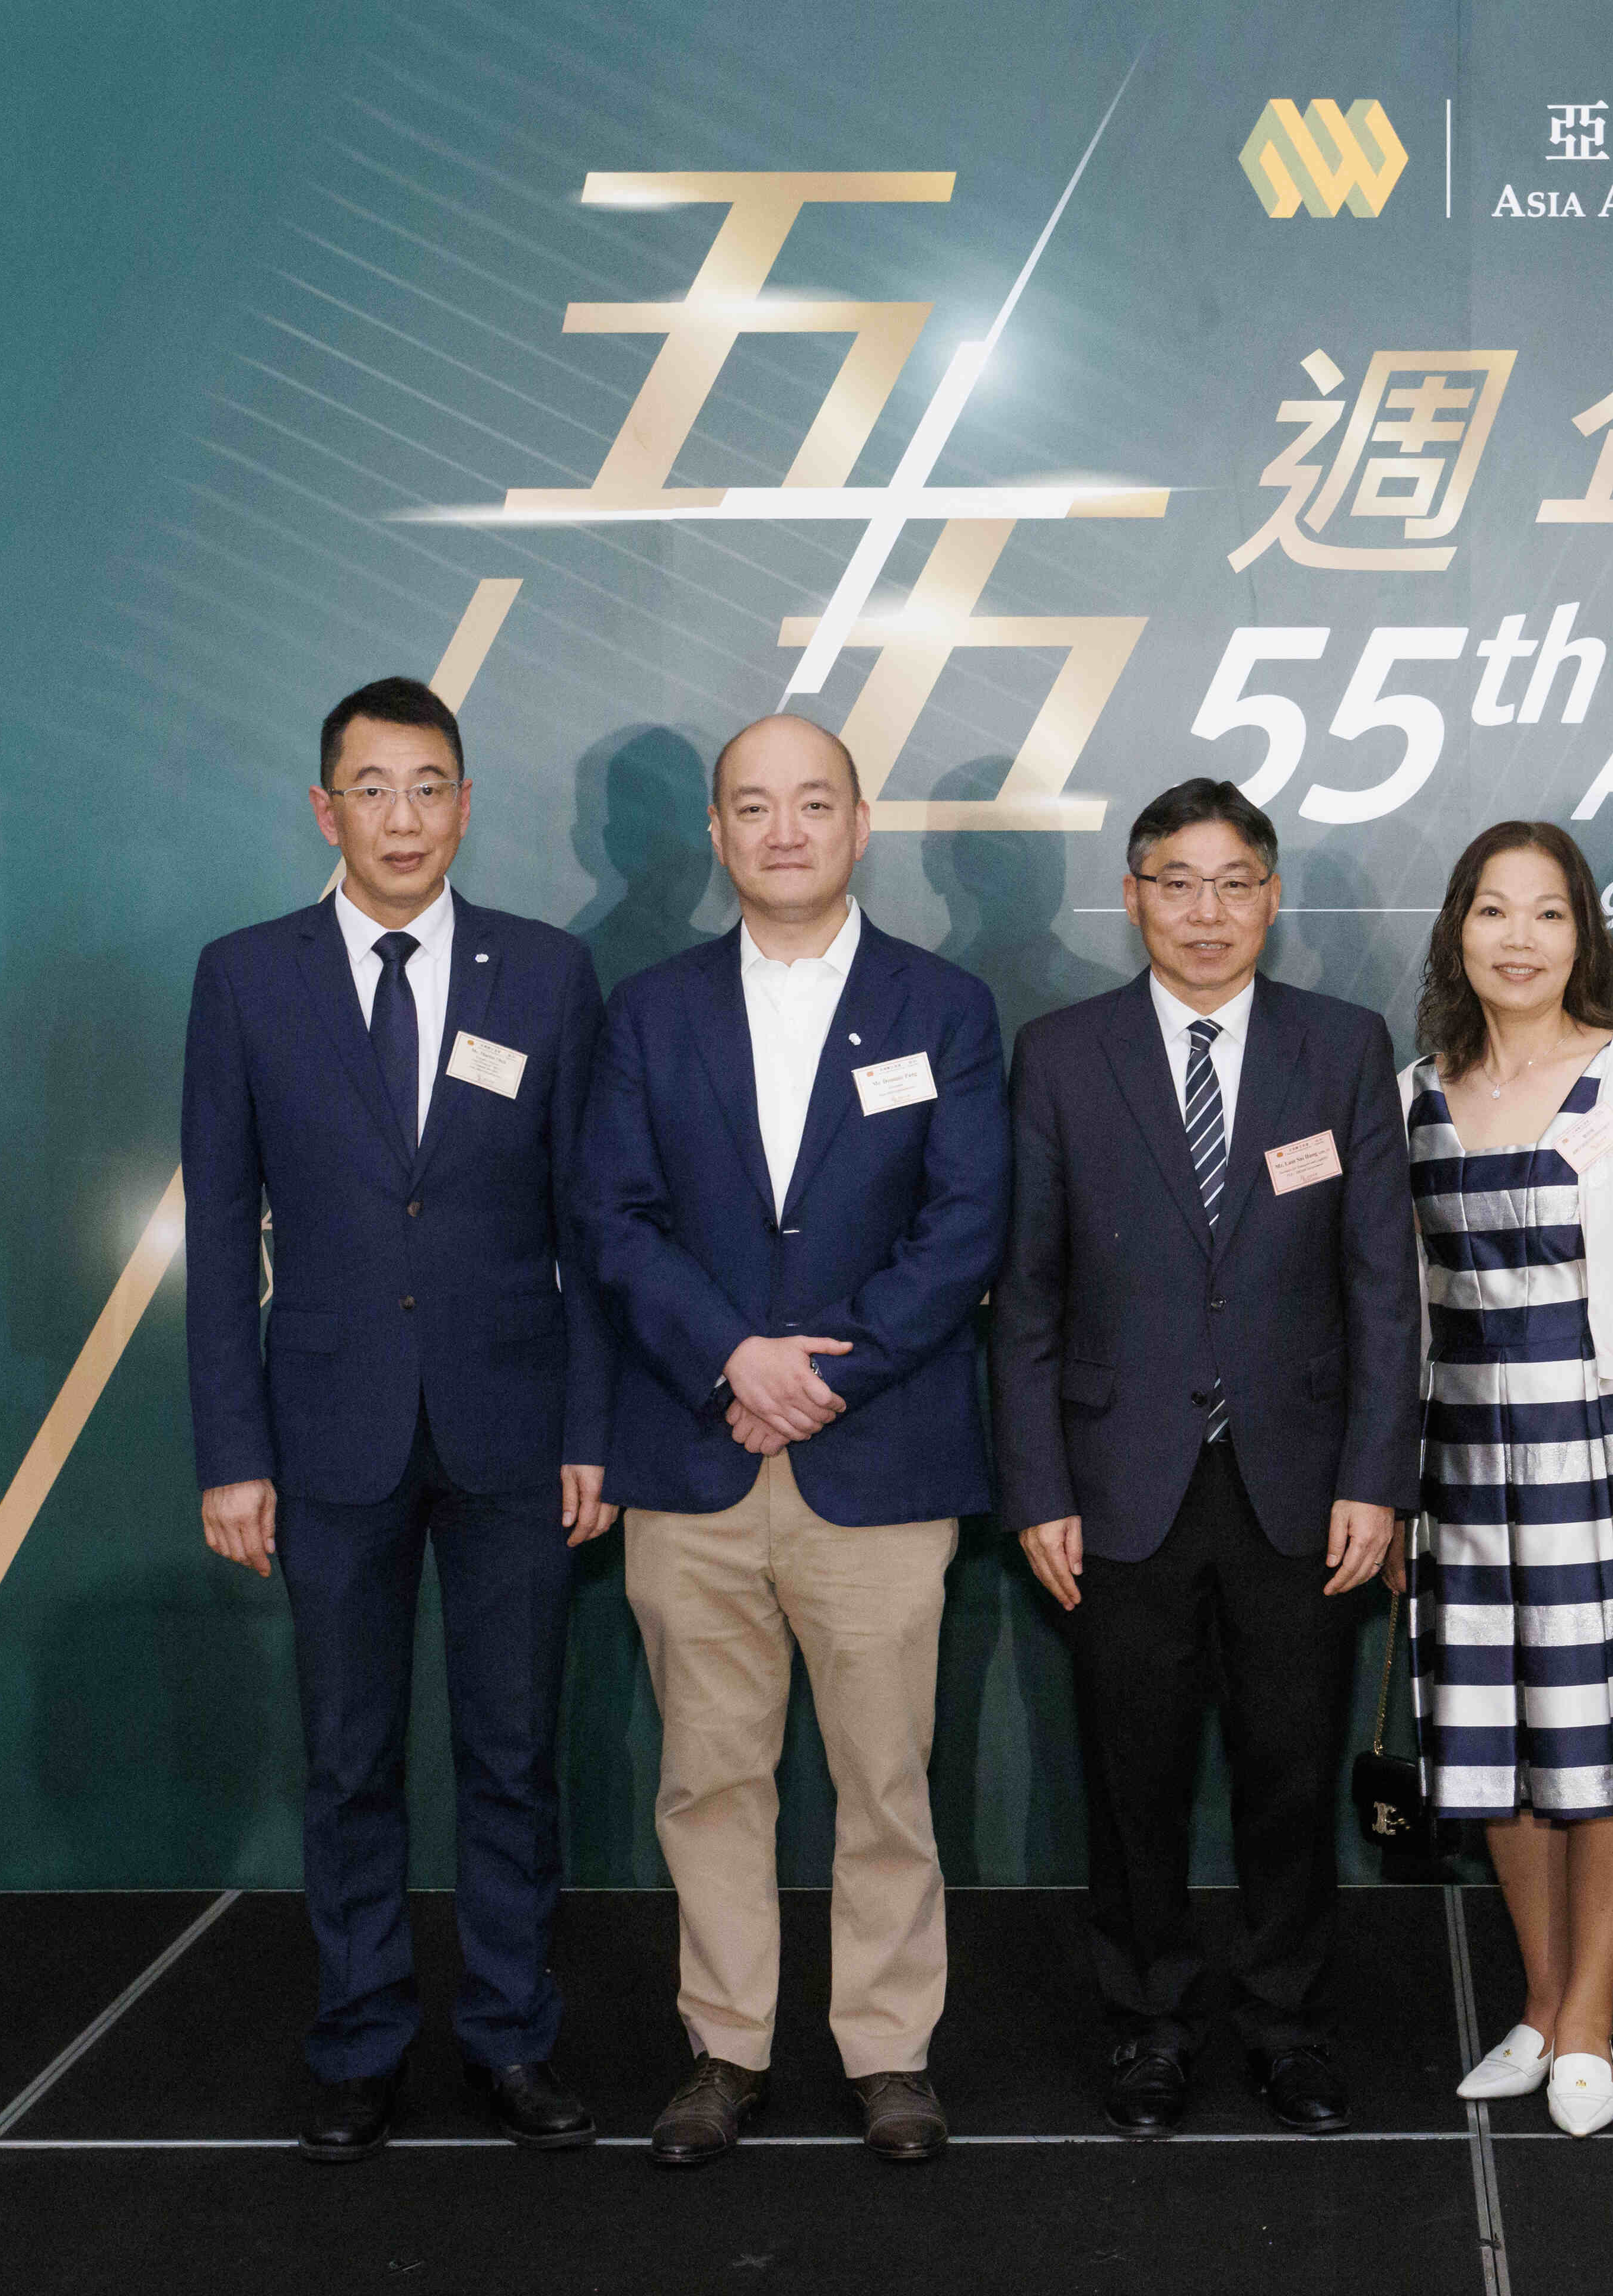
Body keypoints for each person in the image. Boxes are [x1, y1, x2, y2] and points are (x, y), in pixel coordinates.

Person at [181, 674, 613, 2163]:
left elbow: (591, 1218)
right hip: (326, 1436)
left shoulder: (547, 974)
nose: (403, 816)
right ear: (326, 809)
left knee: (512, 1755)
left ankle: (509, 2035)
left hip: (515, 1430)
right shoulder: (245, 977)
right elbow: (221, 1223)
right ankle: (359, 2039)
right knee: (350, 1756)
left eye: (430, 785)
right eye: (372, 788)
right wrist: (232, 1451)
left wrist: (594, 1426)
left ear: (467, 805)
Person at [579, 716, 1007, 2167]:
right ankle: (726, 2048)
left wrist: (825, 1374)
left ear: (857, 822)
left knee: (885, 1777)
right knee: (708, 1774)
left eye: (810, 803)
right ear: (714, 836)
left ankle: (889, 2052)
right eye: (751, 807)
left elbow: (964, 1228)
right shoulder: (648, 1011)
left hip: (873, 1455)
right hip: (693, 1453)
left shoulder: (941, 1006)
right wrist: (731, 1358)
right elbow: (614, 1220)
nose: (782, 830)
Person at [992, 779, 1421, 2139]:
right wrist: (1038, 1486)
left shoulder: (1341, 1047)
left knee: (1293, 1779)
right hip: (1119, 1486)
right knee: (1134, 1781)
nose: (1206, 910)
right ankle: (1147, 2030)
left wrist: (1375, 1474)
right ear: (1131, 898)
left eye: (1235, 881)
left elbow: (1381, 1289)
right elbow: (1028, 1295)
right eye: (1175, 881)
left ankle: (1288, 2027)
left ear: (1271, 897)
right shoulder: (1061, 1055)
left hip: (1301, 1484)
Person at [1394, 822, 1613, 2138]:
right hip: (1460, 1461)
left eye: (1546, 913)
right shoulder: (1414, 1086)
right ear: (1457, 930)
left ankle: (1593, 2011)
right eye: (1492, 910)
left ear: (1582, 934)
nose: (1517, 938)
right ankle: (1538, 2007)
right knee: (1503, 1745)